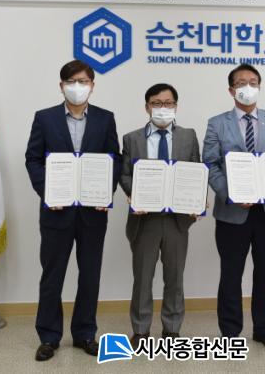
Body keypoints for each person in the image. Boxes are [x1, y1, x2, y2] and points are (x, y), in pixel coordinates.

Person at [25, 60, 121, 361]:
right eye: (71, 81)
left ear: (92, 85)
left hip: (93, 212)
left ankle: (85, 333)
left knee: (90, 275)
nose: (77, 87)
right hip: (56, 212)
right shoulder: (45, 118)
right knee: (52, 276)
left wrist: (105, 192)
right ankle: (48, 336)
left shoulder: (105, 119)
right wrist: (47, 192)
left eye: (83, 81)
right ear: (61, 85)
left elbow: (114, 159)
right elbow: (33, 159)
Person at [202, 64, 265, 351]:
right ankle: (230, 332)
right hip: (232, 212)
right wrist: (229, 194)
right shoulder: (217, 123)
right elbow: (210, 163)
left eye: (253, 82)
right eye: (241, 83)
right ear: (231, 90)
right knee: (231, 274)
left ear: (259, 87)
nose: (247, 87)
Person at [119, 83, 201, 347]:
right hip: (145, 219)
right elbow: (124, 174)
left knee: (175, 277)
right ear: (147, 107)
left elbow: (196, 171)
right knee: (143, 278)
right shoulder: (132, 138)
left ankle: (172, 329)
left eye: (168, 103)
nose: (162, 108)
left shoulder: (188, 136)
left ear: (176, 106)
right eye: (156, 103)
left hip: (177, 219)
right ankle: (141, 330)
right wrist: (135, 193)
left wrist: (197, 200)